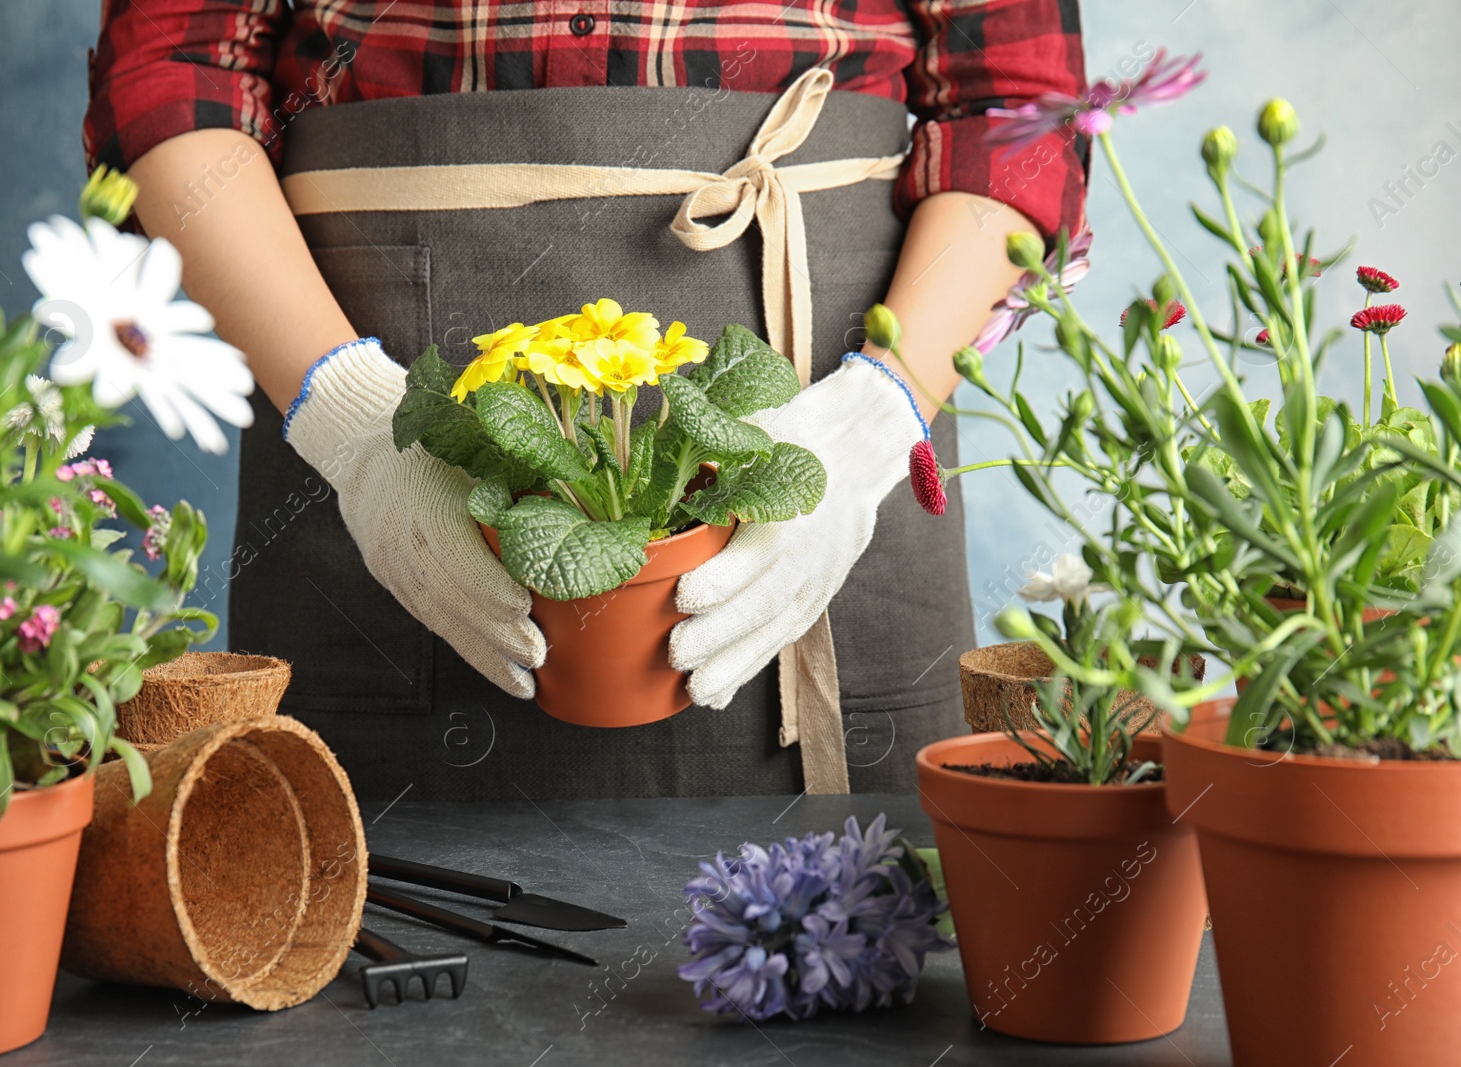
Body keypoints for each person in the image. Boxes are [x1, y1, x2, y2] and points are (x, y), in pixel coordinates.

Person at [86, 0, 1087, 801]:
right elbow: (176, 78)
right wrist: (353, 426)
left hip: (832, 366)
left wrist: (874, 420)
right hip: (361, 355)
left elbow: (1021, 109)